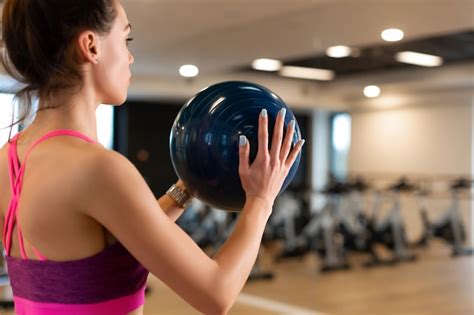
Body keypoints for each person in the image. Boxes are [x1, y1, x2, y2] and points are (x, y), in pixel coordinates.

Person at [0, 0, 305, 314]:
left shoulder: (9, 159)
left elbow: (112, 242)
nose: (130, 56)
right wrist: (261, 199)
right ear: (91, 46)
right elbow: (217, 293)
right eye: (125, 39)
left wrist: (186, 190)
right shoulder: (99, 169)